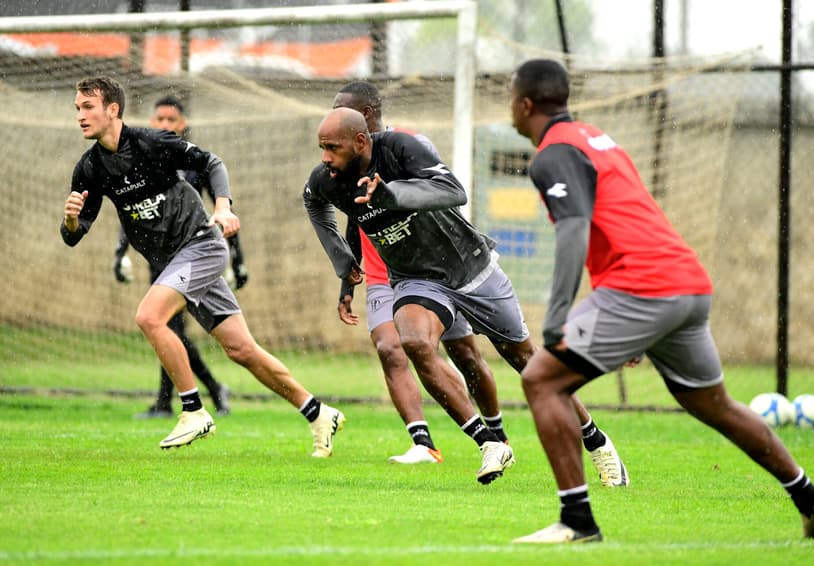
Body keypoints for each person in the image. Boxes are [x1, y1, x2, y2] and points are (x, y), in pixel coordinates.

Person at [507, 58, 814, 543]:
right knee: (715, 404)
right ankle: (810, 497)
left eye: (510, 100)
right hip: (684, 284)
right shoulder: (598, 139)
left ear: (526, 104)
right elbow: (621, 223)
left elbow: (575, 231)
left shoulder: (553, 154)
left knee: (541, 380)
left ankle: (576, 521)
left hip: (641, 286)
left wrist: (556, 319)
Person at [303, 106, 627, 486]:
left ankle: (597, 441)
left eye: (332, 147)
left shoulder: (401, 149)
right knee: (413, 342)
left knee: (528, 363)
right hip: (416, 278)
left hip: (470, 267)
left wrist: (392, 193)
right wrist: (342, 260)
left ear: (360, 140)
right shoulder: (328, 178)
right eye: (321, 147)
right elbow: (313, 202)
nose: (325, 156)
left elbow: (453, 191)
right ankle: (489, 443)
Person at [61, 76, 344, 456]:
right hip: (173, 263)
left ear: (113, 109)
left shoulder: (151, 141)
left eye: (88, 107)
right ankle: (318, 412)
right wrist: (71, 221)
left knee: (149, 317)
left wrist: (223, 206)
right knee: (242, 350)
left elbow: (212, 161)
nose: (80, 115)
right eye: (77, 108)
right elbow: (75, 234)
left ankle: (193, 409)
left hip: (201, 245)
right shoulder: (90, 169)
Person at [331, 80, 508, 465]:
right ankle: (424, 443)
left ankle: (497, 435)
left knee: (465, 355)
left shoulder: (408, 146)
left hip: (434, 271)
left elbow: (441, 196)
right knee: (391, 347)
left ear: (366, 117)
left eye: (341, 109)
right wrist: (348, 278)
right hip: (383, 275)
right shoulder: (341, 161)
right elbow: (354, 213)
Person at [114, 95, 239, 420]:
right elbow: (133, 211)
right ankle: (193, 394)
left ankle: (184, 397)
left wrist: (238, 259)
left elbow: (223, 209)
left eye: (172, 120)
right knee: (166, 327)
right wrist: (120, 252)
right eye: (160, 120)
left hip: (194, 255)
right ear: (152, 122)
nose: (165, 125)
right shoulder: (142, 159)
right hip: (159, 258)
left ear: (182, 124)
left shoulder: (193, 163)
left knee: (169, 327)